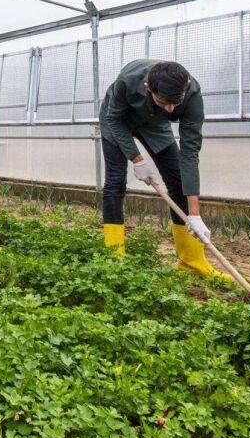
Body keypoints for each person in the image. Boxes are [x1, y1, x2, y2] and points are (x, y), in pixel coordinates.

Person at [99, 59, 231, 281]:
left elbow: (189, 153)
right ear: (148, 88)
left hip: (155, 125)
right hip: (117, 121)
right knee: (115, 181)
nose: (171, 110)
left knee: (178, 181)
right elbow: (114, 119)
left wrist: (194, 214)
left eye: (175, 103)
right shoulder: (127, 80)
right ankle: (114, 259)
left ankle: (192, 262)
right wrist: (137, 159)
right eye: (164, 102)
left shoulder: (192, 95)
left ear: (186, 84)